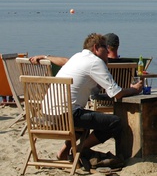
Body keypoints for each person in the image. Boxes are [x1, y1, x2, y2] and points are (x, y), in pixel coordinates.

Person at [52, 33, 142, 164]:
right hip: (67, 116)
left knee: (89, 119)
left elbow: (94, 88)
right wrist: (134, 89)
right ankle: (79, 149)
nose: (107, 51)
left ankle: (64, 152)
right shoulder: (95, 62)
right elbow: (116, 93)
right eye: (105, 48)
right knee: (115, 122)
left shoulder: (76, 57)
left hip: (49, 115)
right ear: (96, 48)